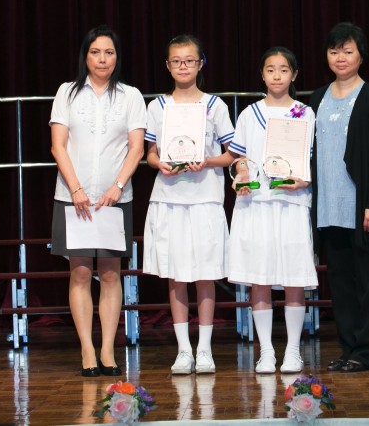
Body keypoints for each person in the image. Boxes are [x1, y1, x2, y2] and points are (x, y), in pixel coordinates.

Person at [49, 25, 146, 377]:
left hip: (114, 199)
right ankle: (87, 350)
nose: (102, 59)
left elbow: (136, 149)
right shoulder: (67, 92)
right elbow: (58, 146)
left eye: (109, 52)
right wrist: (76, 189)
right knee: (79, 272)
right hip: (72, 197)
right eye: (95, 52)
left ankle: (107, 349)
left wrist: (118, 186)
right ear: (85, 56)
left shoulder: (131, 96)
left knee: (109, 273)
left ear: (117, 57)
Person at [143, 34, 235, 375]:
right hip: (169, 199)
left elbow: (231, 153)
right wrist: (159, 164)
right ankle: (183, 350)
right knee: (176, 275)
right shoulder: (157, 106)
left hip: (205, 198)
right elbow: (150, 153)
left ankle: (205, 349)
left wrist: (207, 161)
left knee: (205, 274)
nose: (183, 66)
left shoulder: (215, 106)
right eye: (177, 61)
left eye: (189, 60)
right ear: (168, 66)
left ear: (201, 64)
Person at [227, 47, 318, 374]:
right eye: (270, 69)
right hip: (257, 203)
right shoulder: (249, 114)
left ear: (294, 75)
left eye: (283, 69)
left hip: (292, 203)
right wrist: (242, 173)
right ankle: (266, 351)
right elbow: (239, 158)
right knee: (259, 278)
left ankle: (293, 350)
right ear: (262, 75)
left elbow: (310, 158)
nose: (277, 75)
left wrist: (302, 179)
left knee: (294, 278)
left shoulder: (304, 113)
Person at [310, 22, 369, 373]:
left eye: (347, 51)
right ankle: (347, 349)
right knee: (340, 283)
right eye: (334, 51)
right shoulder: (316, 98)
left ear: (361, 55)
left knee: (367, 284)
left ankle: (364, 352)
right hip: (327, 207)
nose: (340, 57)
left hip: (360, 207)